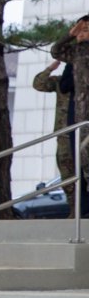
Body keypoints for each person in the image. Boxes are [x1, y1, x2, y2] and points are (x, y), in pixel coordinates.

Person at [33, 61, 75, 216]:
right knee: (67, 174)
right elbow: (38, 83)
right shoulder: (61, 83)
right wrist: (51, 68)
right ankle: (74, 209)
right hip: (64, 134)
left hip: (83, 135)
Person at [51, 16, 89, 179]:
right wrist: (70, 35)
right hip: (80, 115)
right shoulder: (77, 52)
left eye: (85, 30)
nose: (80, 34)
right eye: (78, 30)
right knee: (80, 165)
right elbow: (56, 51)